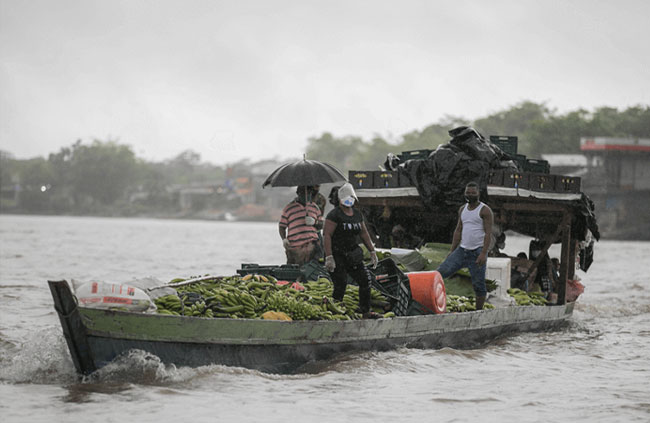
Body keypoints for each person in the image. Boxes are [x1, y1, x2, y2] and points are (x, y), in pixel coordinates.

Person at [323, 183, 380, 319]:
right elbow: (327, 235)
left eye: (351, 198)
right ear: (341, 199)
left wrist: (372, 251)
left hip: (353, 253)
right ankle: (335, 311)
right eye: (346, 198)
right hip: (338, 254)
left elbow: (364, 233)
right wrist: (329, 256)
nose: (349, 200)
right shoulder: (334, 215)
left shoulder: (357, 214)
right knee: (340, 283)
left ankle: (365, 311)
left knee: (365, 281)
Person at [436, 181, 493, 310]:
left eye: (473, 193)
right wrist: (452, 250)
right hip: (462, 250)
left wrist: (484, 253)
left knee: (479, 284)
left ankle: (479, 310)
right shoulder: (462, 209)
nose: (470, 195)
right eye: (468, 192)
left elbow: (488, 233)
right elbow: (458, 230)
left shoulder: (485, 210)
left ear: (479, 193)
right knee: (440, 272)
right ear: (464, 193)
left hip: (477, 251)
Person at [279, 186, 323, 266]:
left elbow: (321, 225)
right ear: (298, 194)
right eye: (304, 194)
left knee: (312, 270)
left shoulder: (315, 207)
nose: (307, 196)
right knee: (295, 271)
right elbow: (282, 226)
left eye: (309, 194)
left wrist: (314, 222)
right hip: (295, 247)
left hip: (312, 246)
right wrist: (284, 239)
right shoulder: (289, 208)